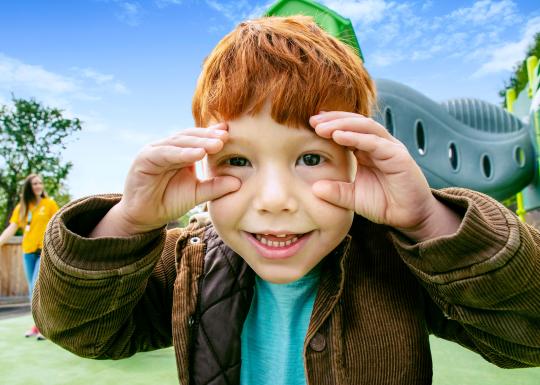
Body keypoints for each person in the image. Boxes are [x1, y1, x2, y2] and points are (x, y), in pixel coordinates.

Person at [33, 16, 540, 385]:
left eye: (312, 159)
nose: (274, 200)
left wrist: (428, 221)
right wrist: (126, 221)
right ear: (203, 162)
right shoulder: (186, 262)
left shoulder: (403, 258)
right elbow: (82, 330)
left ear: (358, 163)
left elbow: (526, 337)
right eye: (238, 161)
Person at [0, 174, 58, 340]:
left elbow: (58, 223)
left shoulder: (49, 204)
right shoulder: (22, 207)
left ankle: (44, 327)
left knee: (36, 287)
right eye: (35, 183)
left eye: (40, 183)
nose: (39, 186)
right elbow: (12, 228)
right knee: (31, 292)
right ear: (29, 187)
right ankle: (37, 324)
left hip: (43, 252)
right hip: (28, 252)